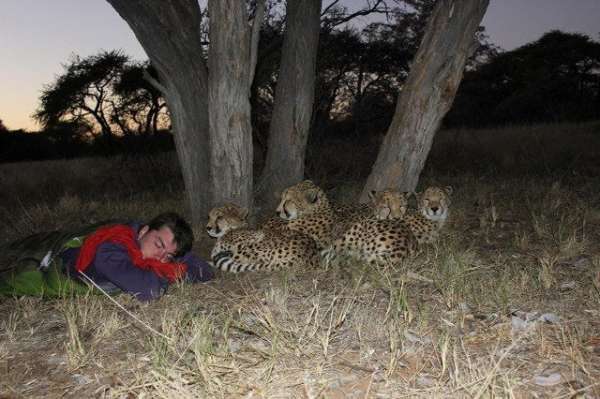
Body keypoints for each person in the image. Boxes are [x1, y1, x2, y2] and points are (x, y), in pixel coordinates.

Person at [0, 212, 214, 301]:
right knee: (11, 257)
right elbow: (149, 290)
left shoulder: (144, 244)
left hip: (64, 242)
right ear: (143, 231)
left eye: (168, 255)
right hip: (52, 251)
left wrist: (177, 261)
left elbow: (204, 270)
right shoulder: (111, 249)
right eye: (158, 244)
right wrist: (172, 271)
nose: (159, 256)